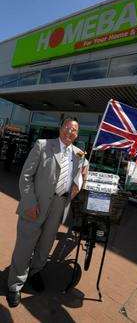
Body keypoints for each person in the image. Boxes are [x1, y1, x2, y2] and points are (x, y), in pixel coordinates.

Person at [6, 118, 88, 307]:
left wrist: (85, 171)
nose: (69, 132)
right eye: (67, 128)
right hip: (36, 204)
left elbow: (82, 174)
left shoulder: (79, 154)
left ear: (77, 134)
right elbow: (26, 177)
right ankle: (15, 285)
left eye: (74, 130)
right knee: (25, 246)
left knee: (45, 247)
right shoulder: (43, 145)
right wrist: (30, 203)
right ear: (60, 129)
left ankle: (35, 272)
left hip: (59, 206)